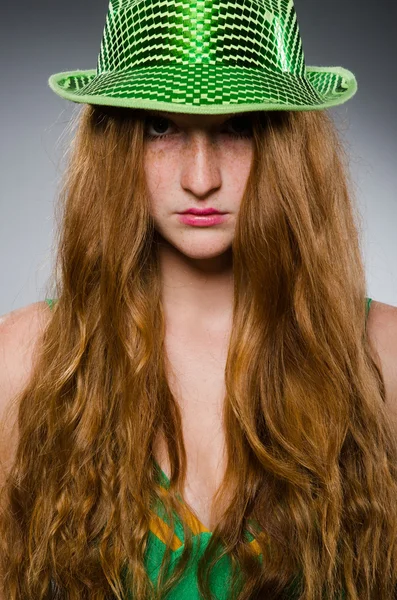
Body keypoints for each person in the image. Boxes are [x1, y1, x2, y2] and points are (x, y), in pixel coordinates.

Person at [1, 0, 397, 599]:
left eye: (237, 128)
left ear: (285, 145)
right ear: (117, 143)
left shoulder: (384, 358)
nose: (201, 177)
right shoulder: (28, 363)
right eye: (161, 128)